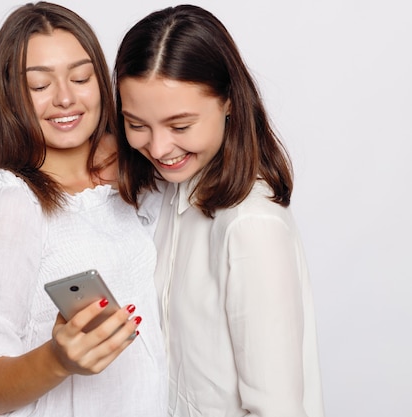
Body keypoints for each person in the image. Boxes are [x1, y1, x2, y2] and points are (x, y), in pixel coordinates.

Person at [0, 2, 167, 416]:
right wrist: (58, 360)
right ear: (12, 98)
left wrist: (124, 153)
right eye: (39, 85)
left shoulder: (135, 179)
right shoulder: (12, 203)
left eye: (81, 77)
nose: (66, 98)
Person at [114, 5, 325, 417]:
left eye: (179, 126)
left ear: (229, 102)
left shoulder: (251, 225)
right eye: (136, 124)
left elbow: (275, 409)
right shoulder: (171, 194)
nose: (157, 148)